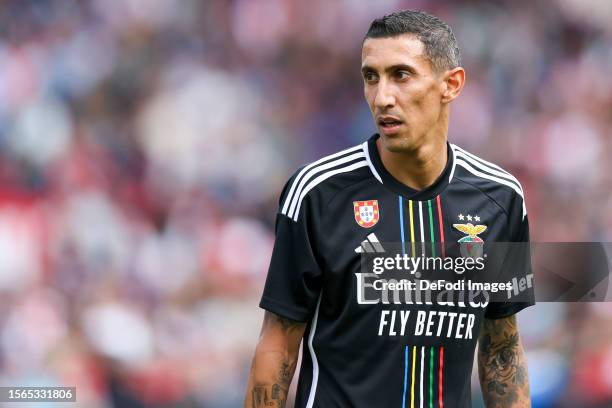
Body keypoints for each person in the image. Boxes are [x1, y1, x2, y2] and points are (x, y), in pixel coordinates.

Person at [245, 9, 534, 408]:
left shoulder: (500, 199)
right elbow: (278, 343)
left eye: (401, 75)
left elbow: (502, 347)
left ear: (451, 84)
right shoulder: (317, 192)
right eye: (370, 77)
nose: (382, 97)